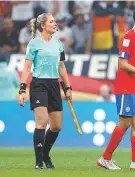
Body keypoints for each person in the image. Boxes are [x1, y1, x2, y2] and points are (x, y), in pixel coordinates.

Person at [97, 6, 135, 170]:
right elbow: (122, 65)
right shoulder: (128, 37)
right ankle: (105, 158)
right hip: (127, 88)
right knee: (125, 122)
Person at [18, 13, 72, 170]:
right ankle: (38, 162)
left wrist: (68, 88)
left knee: (56, 126)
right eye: (51, 21)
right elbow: (27, 68)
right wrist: (22, 89)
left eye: (55, 21)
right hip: (39, 84)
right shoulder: (34, 44)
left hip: (54, 84)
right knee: (41, 122)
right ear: (43, 25)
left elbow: (62, 67)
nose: (55, 24)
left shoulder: (58, 44)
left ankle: (45, 155)